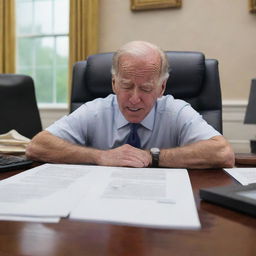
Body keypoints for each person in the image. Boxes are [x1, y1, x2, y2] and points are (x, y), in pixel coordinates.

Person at [26, 41, 235, 169]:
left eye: (146, 88)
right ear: (114, 83)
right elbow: (37, 146)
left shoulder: (177, 111)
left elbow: (223, 153)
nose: (134, 99)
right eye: (126, 86)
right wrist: (100, 156)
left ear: (162, 88)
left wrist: (152, 156)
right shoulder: (95, 110)